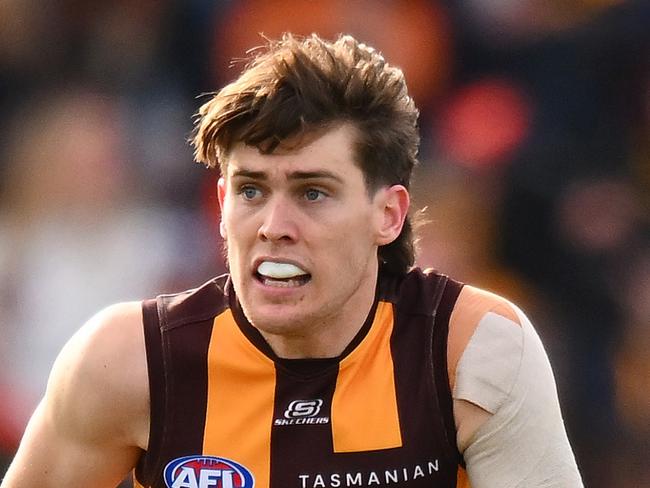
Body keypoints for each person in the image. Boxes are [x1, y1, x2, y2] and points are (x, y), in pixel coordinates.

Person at [1, 33, 582, 488]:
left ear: (389, 214)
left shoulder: (471, 350)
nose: (274, 227)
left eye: (313, 193)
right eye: (252, 190)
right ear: (223, 204)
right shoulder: (126, 361)